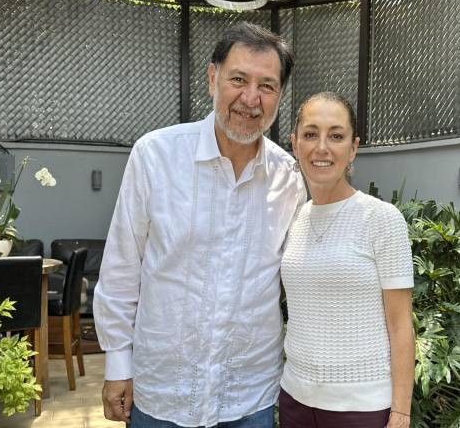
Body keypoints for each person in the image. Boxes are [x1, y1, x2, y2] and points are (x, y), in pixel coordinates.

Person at [93, 22, 305, 428]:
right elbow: (122, 267)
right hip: (163, 393)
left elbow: (293, 281)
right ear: (212, 78)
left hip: (249, 395)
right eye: (238, 80)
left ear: (279, 95)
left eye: (266, 86)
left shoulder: (288, 178)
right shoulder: (155, 156)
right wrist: (118, 363)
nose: (250, 99)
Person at [278, 92, 415, 428]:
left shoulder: (381, 218)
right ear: (295, 144)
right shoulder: (292, 219)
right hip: (295, 400)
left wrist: (401, 413)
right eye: (311, 134)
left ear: (353, 148)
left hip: (361, 409)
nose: (322, 147)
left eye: (336, 136)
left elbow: (401, 326)